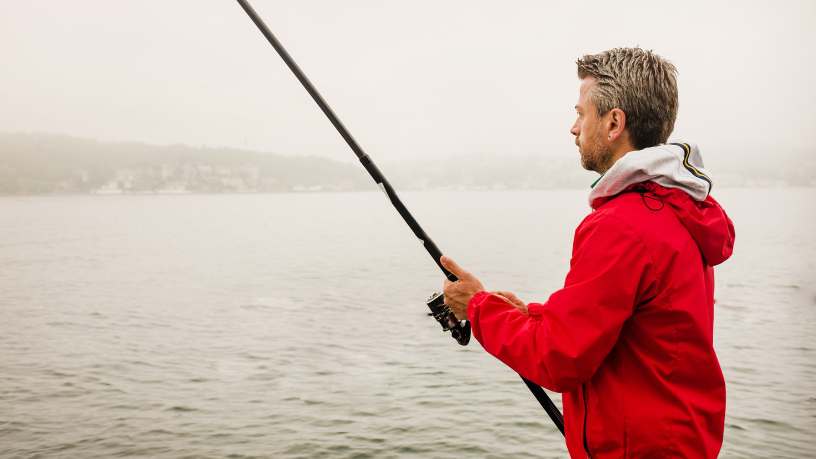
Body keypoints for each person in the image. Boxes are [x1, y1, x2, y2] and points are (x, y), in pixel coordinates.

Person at [441, 48, 735, 458]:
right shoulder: (678, 209)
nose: (574, 128)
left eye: (581, 114)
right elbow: (636, 322)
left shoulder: (620, 225)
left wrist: (477, 307)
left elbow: (559, 358)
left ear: (614, 123)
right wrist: (533, 316)